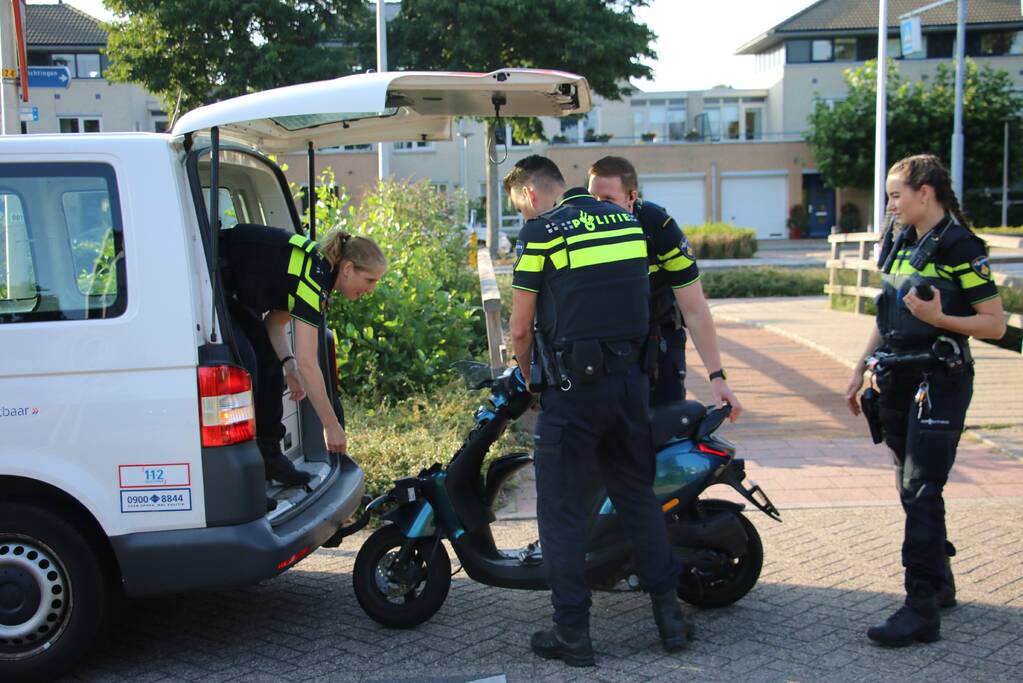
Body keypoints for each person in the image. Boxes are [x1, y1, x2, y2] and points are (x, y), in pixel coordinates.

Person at [506, 155, 692, 667]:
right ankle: (670, 620)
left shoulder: (542, 233)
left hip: (574, 394)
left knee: (562, 512)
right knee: (637, 498)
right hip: (631, 388)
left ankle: (573, 634)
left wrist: (526, 373)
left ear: (529, 195)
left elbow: (521, 327)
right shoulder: (631, 224)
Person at [845, 154, 1005, 647]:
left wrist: (940, 320)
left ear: (925, 193)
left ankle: (920, 609)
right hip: (894, 376)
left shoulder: (960, 245)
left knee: (921, 488)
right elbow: (886, 313)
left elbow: (994, 323)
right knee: (909, 484)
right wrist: (858, 369)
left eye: (896, 195)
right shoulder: (900, 242)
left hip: (940, 379)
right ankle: (940, 582)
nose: (890, 205)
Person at [220, 224, 386, 503]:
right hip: (214, 272)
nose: (371, 289)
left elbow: (274, 323)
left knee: (267, 355)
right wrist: (331, 426)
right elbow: (311, 364)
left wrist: (289, 365)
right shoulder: (315, 278)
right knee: (245, 362)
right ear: (347, 269)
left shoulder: (319, 275)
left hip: (234, 285)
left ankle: (270, 456)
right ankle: (243, 480)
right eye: (370, 280)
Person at [587, 156, 742, 415]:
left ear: (631, 197)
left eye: (608, 201)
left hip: (657, 340)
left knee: (664, 431)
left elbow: (694, 309)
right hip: (601, 345)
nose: (597, 210)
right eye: (593, 199)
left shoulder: (659, 228)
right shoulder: (577, 227)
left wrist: (717, 377)